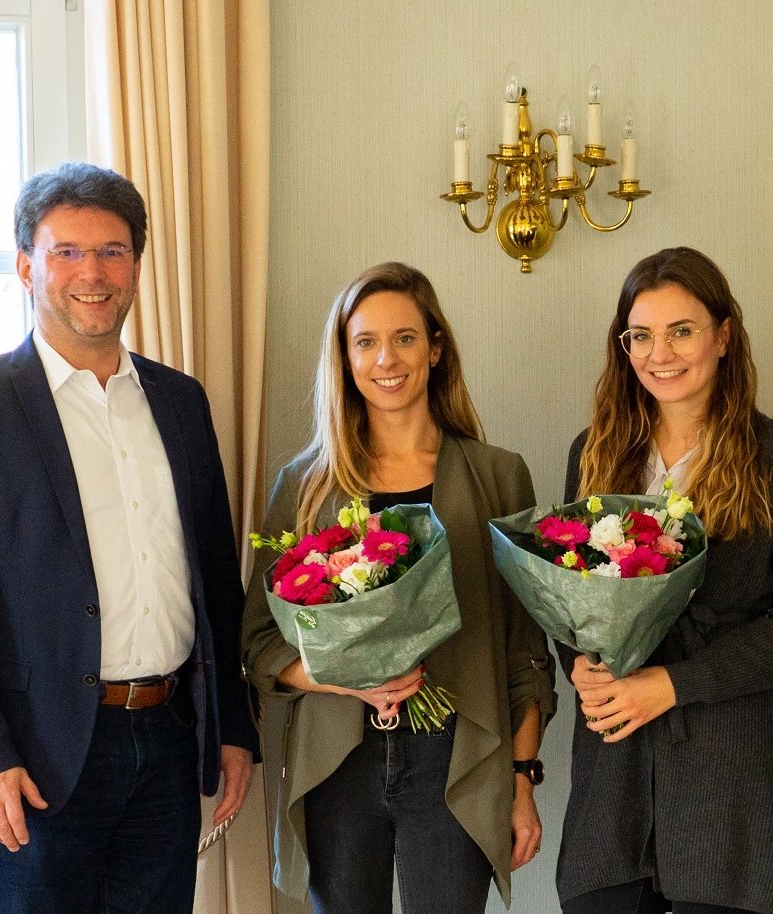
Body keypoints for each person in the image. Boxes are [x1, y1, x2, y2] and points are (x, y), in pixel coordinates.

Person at [0, 162, 257, 913]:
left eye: (113, 251)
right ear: (27, 265)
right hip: (30, 762)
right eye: (67, 251)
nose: (92, 272)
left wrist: (233, 726)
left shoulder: (181, 403)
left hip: (166, 746)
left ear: (135, 265)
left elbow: (216, 581)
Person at [240, 262, 555, 914]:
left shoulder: (499, 476)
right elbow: (260, 643)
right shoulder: (304, 487)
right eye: (366, 341)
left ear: (436, 349)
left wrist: (522, 782)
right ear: (345, 357)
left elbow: (526, 656)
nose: (387, 358)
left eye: (406, 338)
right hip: (338, 760)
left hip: (455, 761)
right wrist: (341, 677)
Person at [558, 247, 773, 914]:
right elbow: (565, 599)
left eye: (681, 330)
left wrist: (675, 684)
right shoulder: (593, 452)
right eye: (641, 335)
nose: (662, 352)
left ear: (723, 335)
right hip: (613, 779)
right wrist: (578, 662)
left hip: (731, 776)